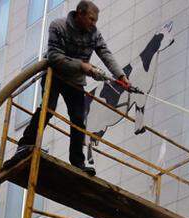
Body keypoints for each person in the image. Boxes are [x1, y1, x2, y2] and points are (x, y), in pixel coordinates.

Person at [12, 1, 130, 176]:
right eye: (91, 19)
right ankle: (25, 144)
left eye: (95, 21)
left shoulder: (94, 34)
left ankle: (78, 162)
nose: (93, 24)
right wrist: (82, 66)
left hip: (75, 81)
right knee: (48, 109)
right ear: (79, 14)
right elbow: (53, 56)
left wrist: (120, 76)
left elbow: (105, 53)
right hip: (55, 74)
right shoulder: (58, 26)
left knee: (78, 119)